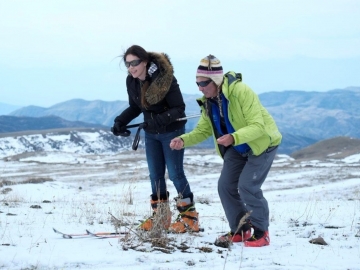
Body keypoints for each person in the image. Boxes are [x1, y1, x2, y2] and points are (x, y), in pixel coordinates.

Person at [170, 55, 282, 247]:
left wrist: (234, 137)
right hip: (236, 147)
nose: (200, 88)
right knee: (225, 186)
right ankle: (241, 229)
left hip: (261, 145)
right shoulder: (208, 101)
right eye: (197, 83)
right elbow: (203, 130)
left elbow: (258, 126)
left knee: (247, 187)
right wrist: (183, 140)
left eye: (204, 83)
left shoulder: (241, 92)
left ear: (216, 81)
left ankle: (262, 232)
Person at [111, 45, 199, 233]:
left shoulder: (165, 79)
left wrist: (158, 121)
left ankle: (189, 218)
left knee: (175, 174)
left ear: (144, 62)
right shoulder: (132, 81)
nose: (130, 67)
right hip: (151, 134)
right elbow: (135, 107)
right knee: (155, 175)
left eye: (134, 63)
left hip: (171, 132)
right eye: (127, 64)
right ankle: (161, 217)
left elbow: (179, 109)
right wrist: (120, 121)